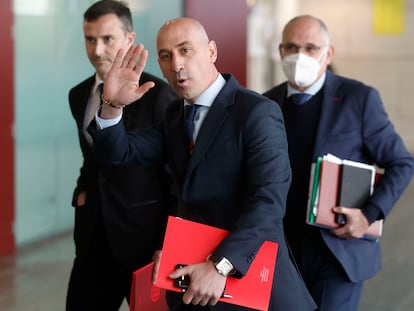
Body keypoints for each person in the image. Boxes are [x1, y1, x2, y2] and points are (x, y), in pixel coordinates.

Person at [88, 17, 316, 311]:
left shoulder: (256, 112)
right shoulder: (174, 115)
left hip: (251, 282)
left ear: (211, 52)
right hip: (194, 284)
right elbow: (120, 152)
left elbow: (268, 202)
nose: (177, 65)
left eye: (186, 51)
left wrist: (221, 265)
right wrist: (112, 105)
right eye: (167, 56)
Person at [263, 15, 414, 311]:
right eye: (292, 47)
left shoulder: (358, 99)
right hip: (282, 251)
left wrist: (369, 215)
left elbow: (401, 163)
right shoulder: (265, 105)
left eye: (310, 48)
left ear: (328, 53)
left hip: (337, 249)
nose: (300, 56)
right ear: (280, 52)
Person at [66, 1, 177, 310]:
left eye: (107, 39)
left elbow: (173, 179)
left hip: (143, 236)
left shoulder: (159, 96)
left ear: (129, 40)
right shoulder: (79, 94)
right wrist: (82, 192)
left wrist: (166, 244)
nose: (97, 50)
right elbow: (91, 156)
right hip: (93, 236)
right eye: (90, 39)